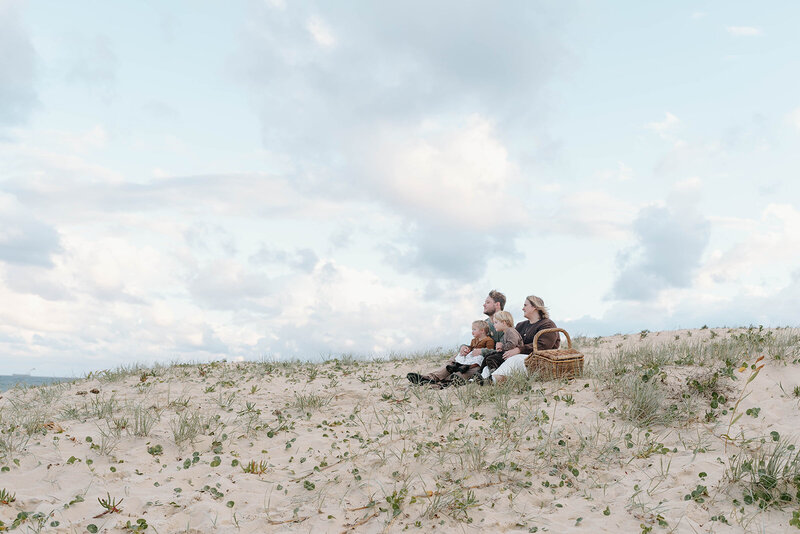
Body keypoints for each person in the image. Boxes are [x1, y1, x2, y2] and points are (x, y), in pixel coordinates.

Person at [407, 290, 505, 385]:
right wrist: (463, 347)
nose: (484, 305)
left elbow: (503, 350)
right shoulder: (485, 322)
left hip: (486, 361)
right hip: (474, 355)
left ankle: (445, 381)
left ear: (497, 304)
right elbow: (476, 341)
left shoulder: (505, 323)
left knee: (473, 368)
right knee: (456, 357)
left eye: (488, 302)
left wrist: (482, 352)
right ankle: (430, 378)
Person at [488, 295, 560, 385]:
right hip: (521, 359)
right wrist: (501, 346)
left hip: (538, 361)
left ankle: (492, 380)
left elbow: (543, 346)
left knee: (514, 359)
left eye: (525, 305)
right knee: (494, 357)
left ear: (534, 307)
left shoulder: (547, 324)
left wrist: (519, 350)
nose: (522, 308)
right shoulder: (520, 325)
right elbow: (512, 341)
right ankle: (479, 380)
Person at [478, 311, 523, 377]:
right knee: (488, 355)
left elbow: (512, 344)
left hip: (513, 355)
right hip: (507, 353)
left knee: (490, 358)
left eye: (496, 322)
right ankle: (480, 372)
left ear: (504, 323)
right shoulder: (506, 332)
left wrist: (502, 346)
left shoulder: (510, 331)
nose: (494, 325)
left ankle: (494, 372)